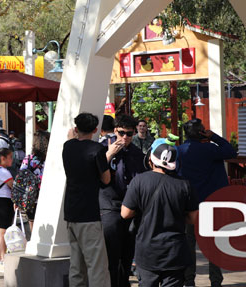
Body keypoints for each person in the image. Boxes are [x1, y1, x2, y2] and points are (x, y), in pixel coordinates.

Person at [121, 138, 198, 287]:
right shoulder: (185, 185)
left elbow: (125, 213)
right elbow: (192, 218)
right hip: (175, 251)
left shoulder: (139, 181)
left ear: (150, 158)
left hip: (147, 251)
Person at [176, 118, 236, 287]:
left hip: (189, 204)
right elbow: (231, 152)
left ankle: (189, 280)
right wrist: (214, 137)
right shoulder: (211, 149)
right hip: (211, 203)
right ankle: (215, 281)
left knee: (189, 243)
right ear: (202, 132)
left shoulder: (179, 151)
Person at [63, 112, 111, 287]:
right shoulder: (97, 149)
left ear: (76, 129)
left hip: (71, 211)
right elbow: (106, 179)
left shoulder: (67, 147)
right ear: (96, 130)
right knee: (97, 265)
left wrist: (72, 136)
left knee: (76, 265)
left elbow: (71, 140)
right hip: (89, 213)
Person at [100, 114, 147, 287]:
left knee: (127, 254)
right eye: (121, 133)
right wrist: (109, 155)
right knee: (112, 255)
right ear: (115, 131)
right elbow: (92, 174)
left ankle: (123, 282)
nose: (125, 137)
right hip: (109, 207)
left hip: (131, 207)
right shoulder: (103, 148)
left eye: (129, 134)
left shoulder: (136, 154)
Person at [20, 130, 49, 230]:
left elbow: (21, 177)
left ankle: (35, 242)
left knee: (32, 222)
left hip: (31, 196)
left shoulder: (28, 159)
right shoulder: (52, 159)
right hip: (48, 197)